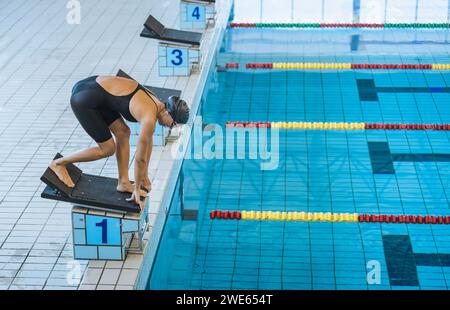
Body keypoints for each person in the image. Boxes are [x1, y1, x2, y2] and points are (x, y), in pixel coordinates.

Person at [49, 75, 189, 208]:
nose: (170, 127)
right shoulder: (149, 118)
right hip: (84, 99)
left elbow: (148, 143)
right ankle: (59, 163)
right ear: (168, 113)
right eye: (173, 124)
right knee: (108, 149)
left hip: (95, 90)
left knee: (123, 132)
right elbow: (140, 159)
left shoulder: (157, 103)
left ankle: (123, 182)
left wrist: (145, 175)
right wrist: (137, 190)